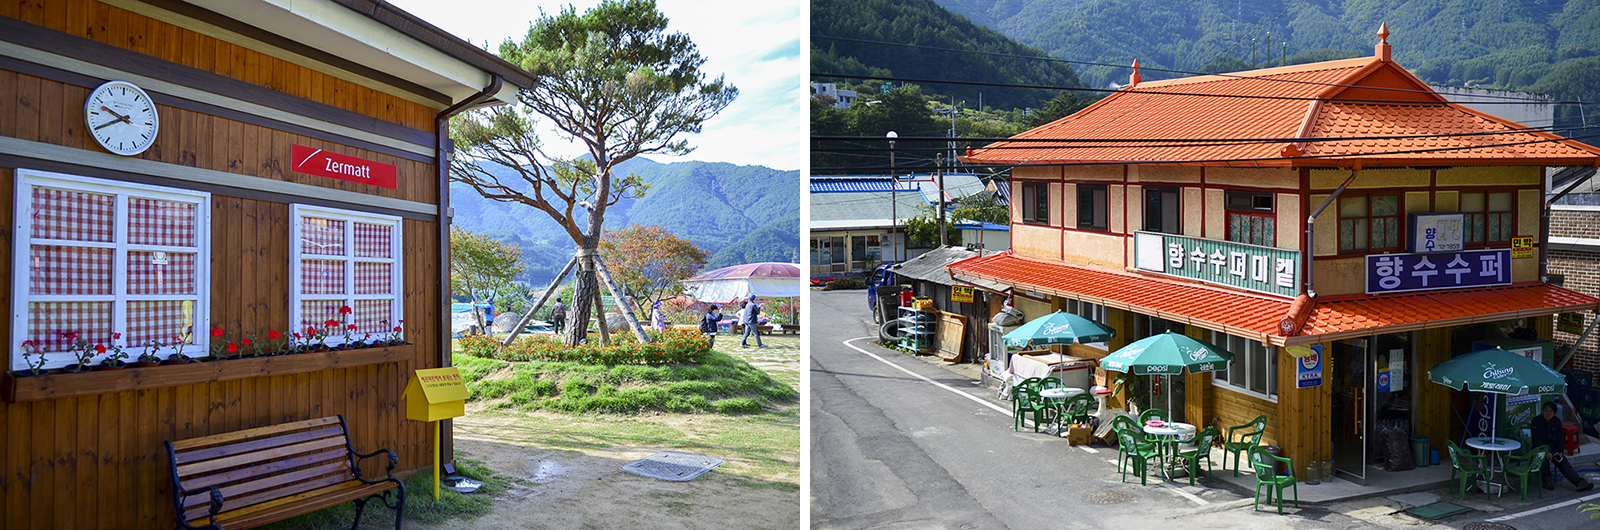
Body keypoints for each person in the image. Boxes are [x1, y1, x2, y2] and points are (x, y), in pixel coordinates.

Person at [1532, 401, 1594, 491]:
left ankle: (1579, 482)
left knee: (1563, 462)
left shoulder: (1557, 422)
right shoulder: (1536, 421)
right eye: (1546, 410)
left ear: (1554, 413)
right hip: (1540, 449)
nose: (1547, 413)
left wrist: (1560, 451)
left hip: (1553, 449)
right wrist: (1546, 452)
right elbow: (1536, 439)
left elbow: (1560, 438)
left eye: (1550, 411)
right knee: (1543, 458)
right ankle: (1546, 480)